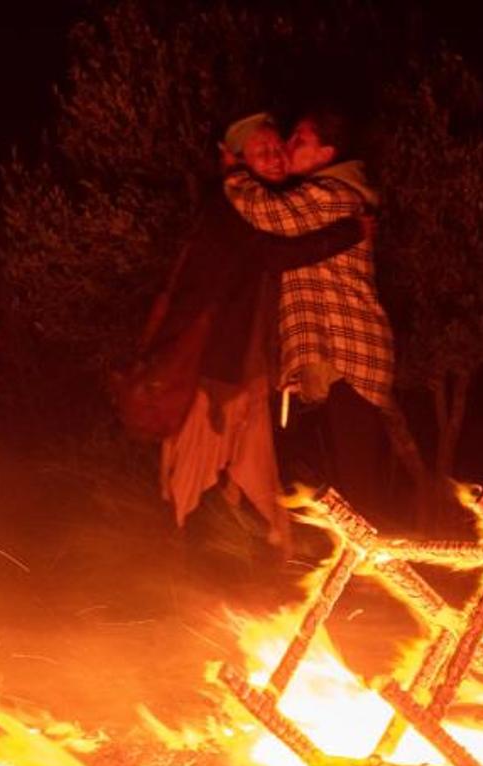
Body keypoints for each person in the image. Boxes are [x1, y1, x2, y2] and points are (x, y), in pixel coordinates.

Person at [141, 114, 368, 552]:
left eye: (276, 146)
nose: (275, 155)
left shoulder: (263, 202)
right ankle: (172, 565)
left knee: (258, 473)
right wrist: (351, 231)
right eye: (260, 150)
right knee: (193, 471)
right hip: (212, 370)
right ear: (239, 160)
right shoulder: (230, 205)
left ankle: (276, 558)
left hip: (247, 368)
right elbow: (275, 255)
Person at [222, 109, 396, 521]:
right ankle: (354, 575)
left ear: (327, 152)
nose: (287, 146)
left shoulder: (333, 194)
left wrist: (233, 173)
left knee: (358, 489)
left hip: (350, 357)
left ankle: (374, 579)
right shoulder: (326, 194)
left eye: (299, 139)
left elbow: (268, 212)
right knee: (341, 488)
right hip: (337, 360)